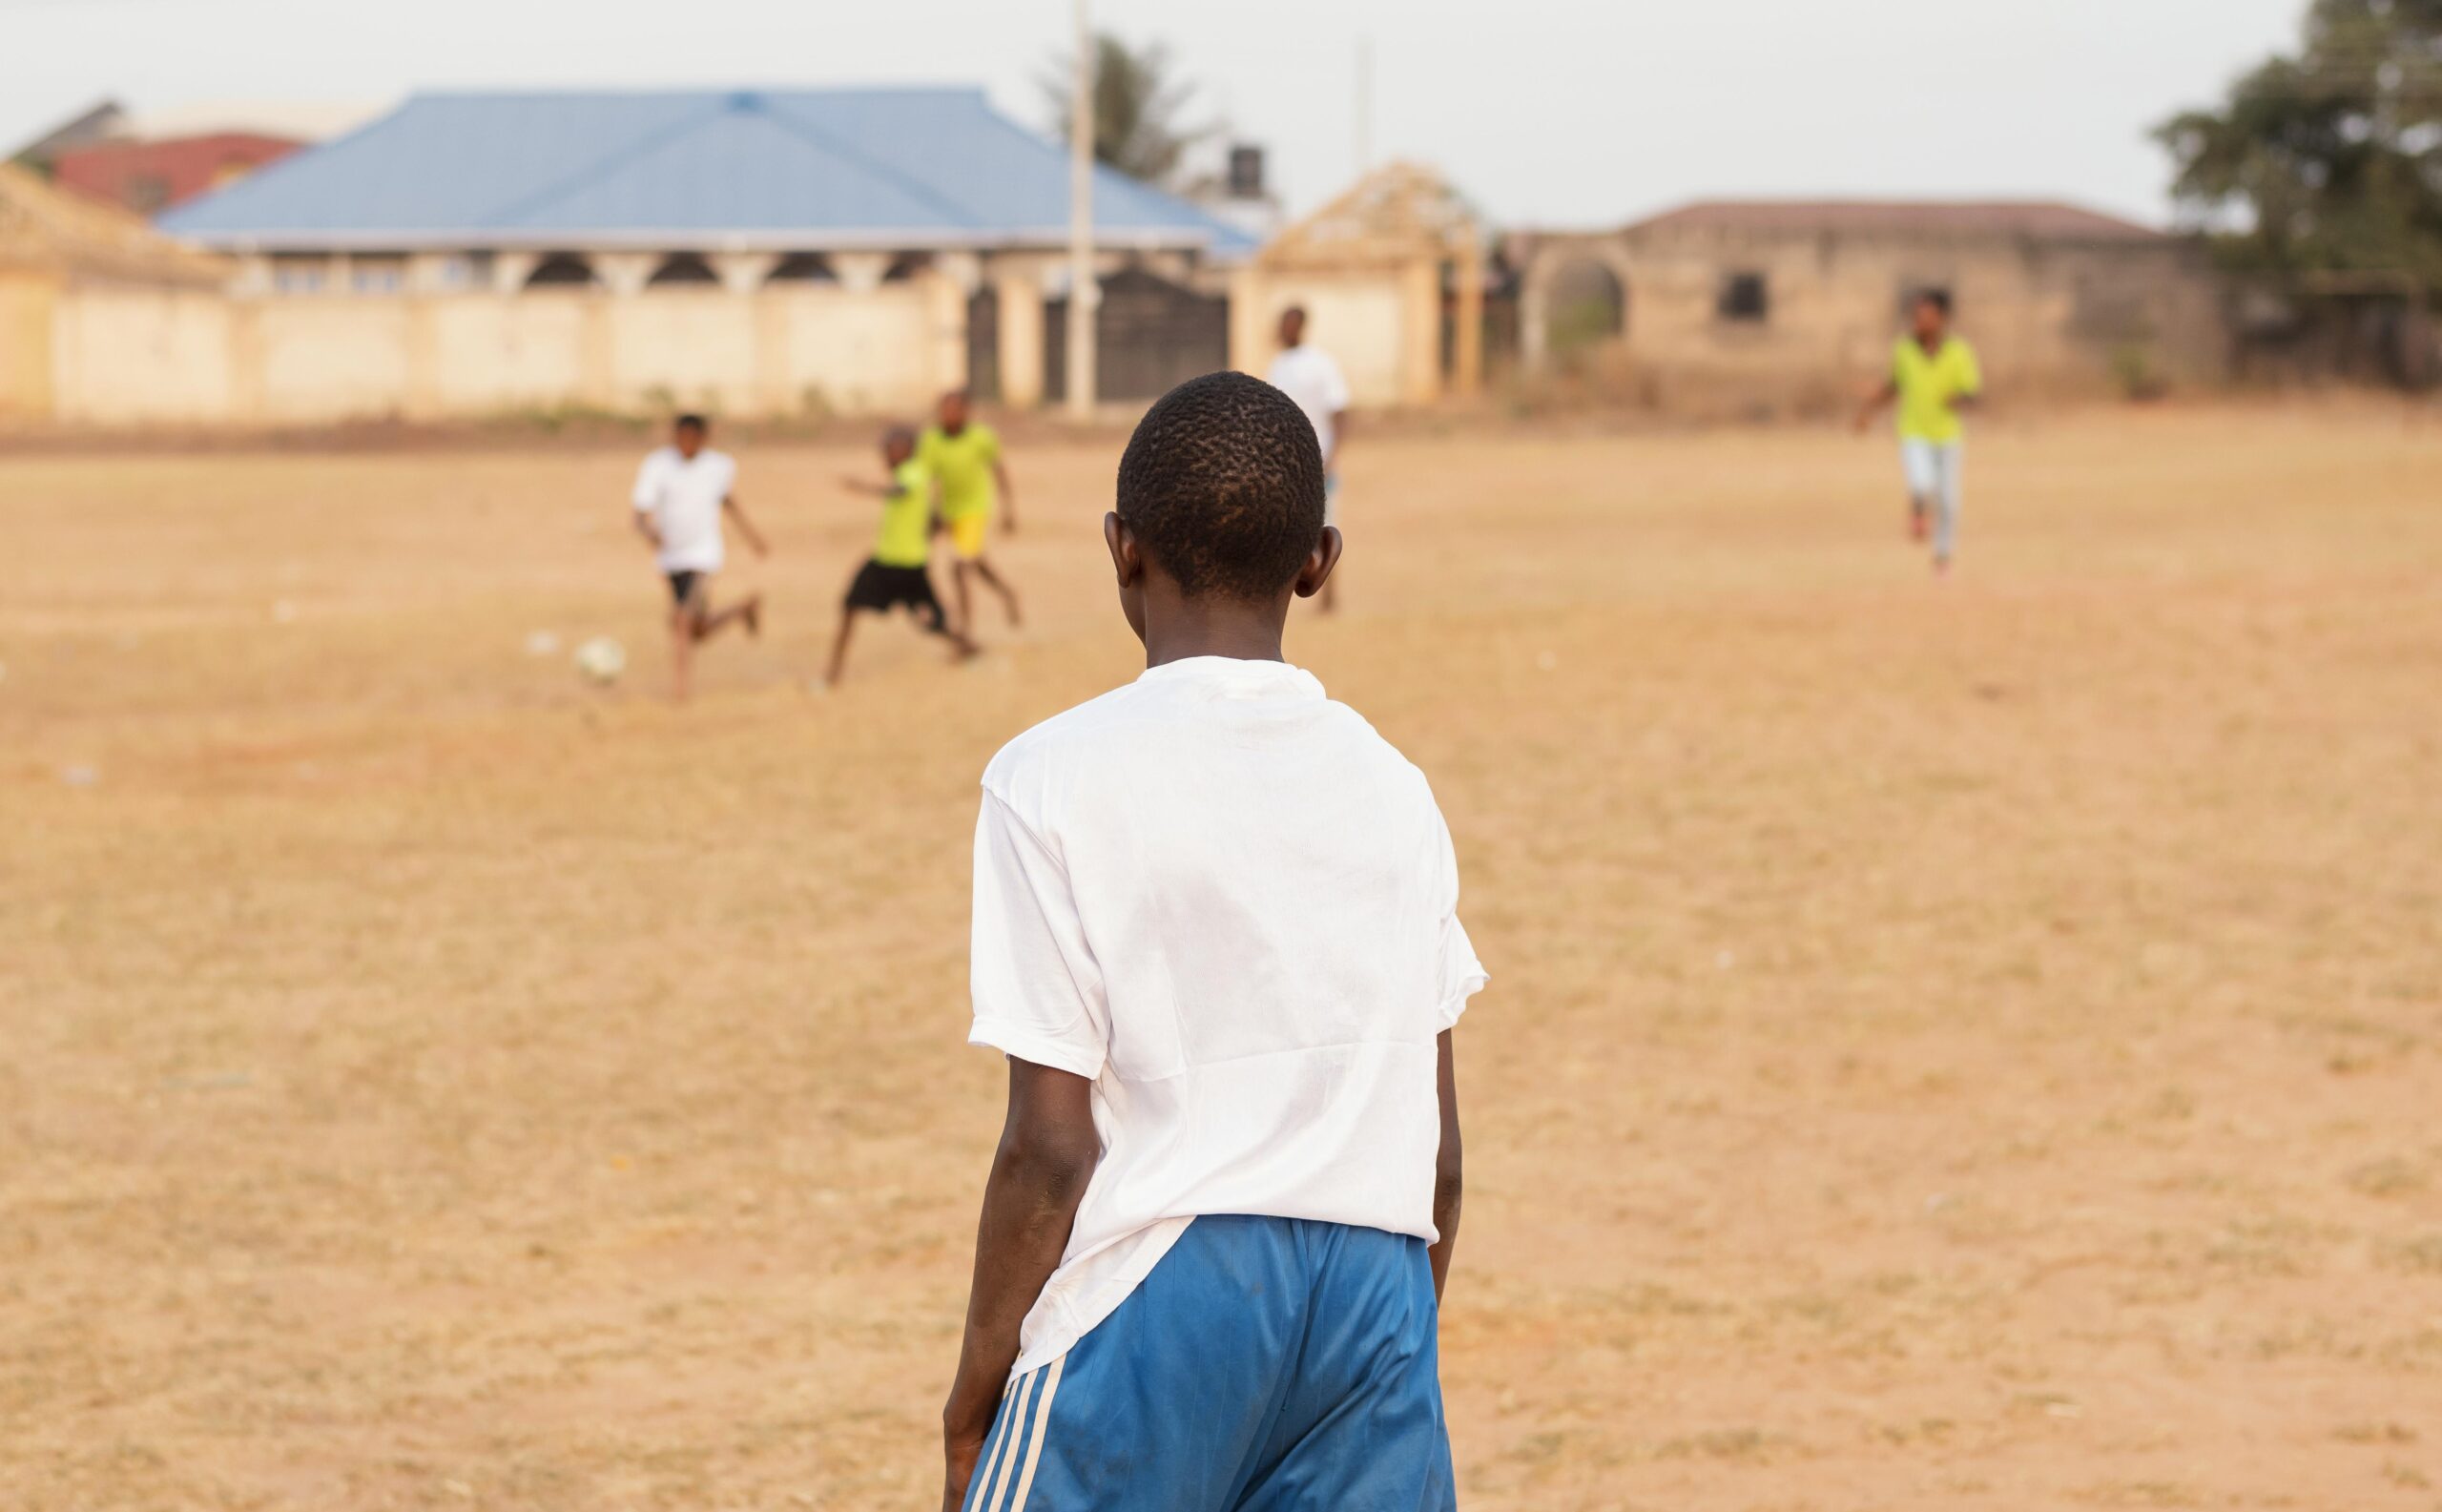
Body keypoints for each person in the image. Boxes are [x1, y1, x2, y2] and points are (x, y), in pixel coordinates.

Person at [939, 371, 1484, 1512]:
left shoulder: (1050, 775)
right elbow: (1438, 1155)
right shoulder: (1394, 789)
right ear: (1318, 562)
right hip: (1377, 1286)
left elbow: (1049, 1146)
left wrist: (973, 1396)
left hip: (1160, 1291)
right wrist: (1380, 1355)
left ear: (1119, 550)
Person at [827, 426, 979, 687]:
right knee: (852, 607)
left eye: (890, 449)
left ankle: (968, 646)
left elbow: (899, 491)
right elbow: (932, 516)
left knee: (930, 621)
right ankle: (833, 674)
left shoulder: (914, 473)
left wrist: (861, 487)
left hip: (904, 565)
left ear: (907, 449)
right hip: (890, 560)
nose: (885, 455)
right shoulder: (913, 474)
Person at [631, 413, 767, 701]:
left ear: (704, 439)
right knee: (697, 630)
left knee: (681, 619)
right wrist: (649, 532)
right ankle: (743, 609)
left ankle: (681, 691)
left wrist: (753, 537)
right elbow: (640, 512)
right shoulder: (657, 465)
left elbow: (727, 500)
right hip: (671, 558)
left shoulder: (718, 467)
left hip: (704, 554)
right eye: (681, 438)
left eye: (692, 439)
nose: (686, 445)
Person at [1853, 290, 1984, 574]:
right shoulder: (1904, 350)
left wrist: (1957, 400)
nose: (1919, 323)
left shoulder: (1959, 352)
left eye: (1925, 317)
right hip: (1913, 431)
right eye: (1916, 317)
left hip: (1947, 435)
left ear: (1941, 319)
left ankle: (1942, 556)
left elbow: (1973, 394)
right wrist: (1867, 411)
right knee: (1921, 483)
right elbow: (1893, 387)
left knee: (1949, 501)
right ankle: (1917, 513)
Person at [1264, 306, 1352, 612]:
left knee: (1326, 527)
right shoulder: (1277, 366)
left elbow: (1340, 410)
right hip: (1284, 465)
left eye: (1285, 324)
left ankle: (1329, 598)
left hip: (1319, 463)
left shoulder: (1321, 364)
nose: (1280, 330)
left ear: (1298, 326)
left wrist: (1332, 455)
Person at [917, 390, 1023, 635]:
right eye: (944, 410)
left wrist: (1008, 509)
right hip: (946, 511)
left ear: (966, 412)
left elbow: (999, 471)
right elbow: (926, 480)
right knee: (974, 563)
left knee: (959, 567)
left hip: (973, 510)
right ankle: (1007, 593)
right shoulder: (930, 440)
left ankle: (965, 632)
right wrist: (930, 514)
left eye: (954, 410)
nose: (949, 415)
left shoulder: (981, 438)